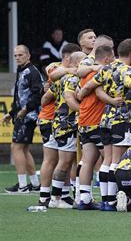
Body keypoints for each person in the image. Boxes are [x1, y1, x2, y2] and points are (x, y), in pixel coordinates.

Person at [79, 39, 131, 210]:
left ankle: (106, 201)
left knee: (106, 160)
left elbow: (90, 87)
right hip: (121, 120)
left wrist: (81, 95)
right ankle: (110, 202)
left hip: (105, 119)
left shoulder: (106, 68)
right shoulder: (125, 69)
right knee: (116, 161)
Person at [37, 43, 81, 206]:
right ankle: (54, 197)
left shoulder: (59, 78)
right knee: (61, 160)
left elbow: (45, 98)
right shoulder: (61, 71)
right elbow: (52, 72)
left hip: (56, 121)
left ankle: (56, 196)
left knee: (62, 160)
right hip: (62, 122)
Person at [76, 45, 118, 210]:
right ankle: (108, 200)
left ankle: (85, 200)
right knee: (108, 161)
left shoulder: (85, 72)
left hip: (84, 121)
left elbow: (82, 90)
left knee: (87, 161)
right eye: (112, 57)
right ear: (107, 58)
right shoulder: (99, 73)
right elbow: (100, 94)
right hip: (97, 121)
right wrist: (114, 101)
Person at [2, 45, 43, 194]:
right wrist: (12, 112)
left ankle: (22, 186)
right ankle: (34, 183)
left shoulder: (32, 72)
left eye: (20, 55)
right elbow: (20, 96)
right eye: (15, 56)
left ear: (28, 55)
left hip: (28, 116)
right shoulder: (22, 71)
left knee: (16, 147)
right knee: (24, 150)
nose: (17, 58)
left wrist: (25, 110)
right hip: (22, 115)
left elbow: (37, 94)